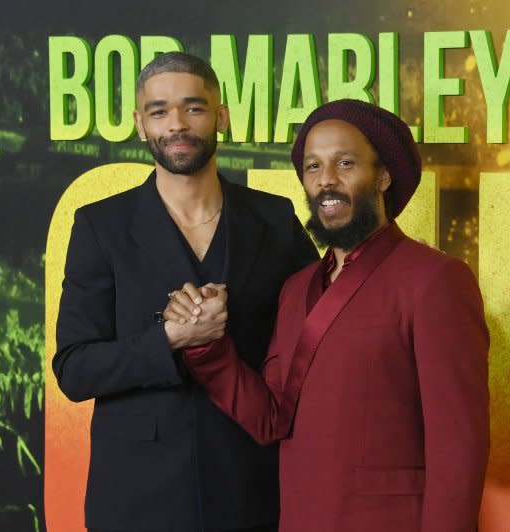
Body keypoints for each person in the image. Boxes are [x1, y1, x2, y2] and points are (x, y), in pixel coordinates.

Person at [166, 99, 490, 532]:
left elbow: (459, 447)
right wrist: (206, 346)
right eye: (313, 167)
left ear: (383, 176)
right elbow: (270, 419)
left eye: (346, 163)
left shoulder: (436, 280)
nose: (326, 181)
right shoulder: (297, 288)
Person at [53, 52, 318, 532]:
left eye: (193, 108)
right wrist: (169, 337)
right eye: (159, 111)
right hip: (137, 496)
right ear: (140, 124)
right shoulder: (100, 226)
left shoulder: (275, 220)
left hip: (252, 488)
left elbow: (320, 340)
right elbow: (74, 369)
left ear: (221, 116)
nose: (176, 123)